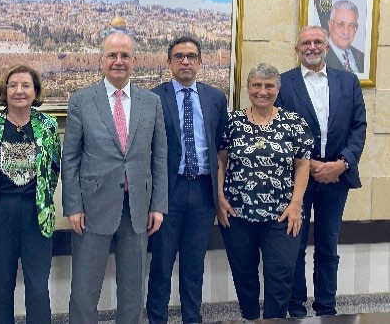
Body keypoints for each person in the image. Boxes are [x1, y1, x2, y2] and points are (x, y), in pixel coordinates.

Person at [62, 32, 168, 324]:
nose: (118, 61)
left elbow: (159, 158)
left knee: (133, 291)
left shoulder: (152, 102)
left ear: (135, 61)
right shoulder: (82, 101)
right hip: (92, 208)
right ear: (101, 60)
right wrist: (73, 206)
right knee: (84, 290)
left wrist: (158, 205)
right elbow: (70, 159)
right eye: (112, 55)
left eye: (124, 56)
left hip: (137, 208)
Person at [277, 26, 367, 317]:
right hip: (297, 179)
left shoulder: (348, 81)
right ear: (297, 49)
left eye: (318, 42)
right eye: (306, 42)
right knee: (295, 245)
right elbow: (278, 130)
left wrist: (343, 162)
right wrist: (307, 163)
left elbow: (359, 126)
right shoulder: (283, 83)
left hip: (337, 176)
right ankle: (296, 309)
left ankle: (326, 309)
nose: (312, 47)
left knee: (328, 246)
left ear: (327, 48)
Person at [217, 63, 313, 320]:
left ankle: (274, 320)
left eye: (269, 86)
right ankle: (249, 318)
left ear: (277, 89)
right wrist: (220, 198)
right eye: (256, 85)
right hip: (237, 213)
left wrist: (296, 204)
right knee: (244, 274)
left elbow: (303, 164)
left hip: (283, 214)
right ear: (247, 88)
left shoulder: (294, 123)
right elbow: (220, 160)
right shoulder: (231, 122)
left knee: (281, 275)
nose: (262, 91)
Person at [0, 64, 61, 323]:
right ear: (5, 90)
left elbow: (54, 168)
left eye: (26, 85)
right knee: (0, 285)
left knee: (38, 287)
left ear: (35, 92)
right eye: (13, 85)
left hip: (36, 212)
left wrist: (41, 196)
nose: (19, 91)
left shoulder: (49, 125)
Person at [146, 36, 228, 324]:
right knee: (162, 263)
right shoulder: (154, 98)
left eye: (191, 56)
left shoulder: (215, 98)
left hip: (203, 191)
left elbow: (221, 146)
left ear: (200, 62)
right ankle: (157, 319)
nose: (185, 61)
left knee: (194, 265)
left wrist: (219, 194)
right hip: (169, 191)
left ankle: (192, 318)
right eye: (179, 56)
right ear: (169, 62)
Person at [325, 0, 364, 73]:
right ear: (330, 25)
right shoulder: (319, 56)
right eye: (340, 24)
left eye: (351, 25)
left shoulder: (362, 58)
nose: (346, 32)